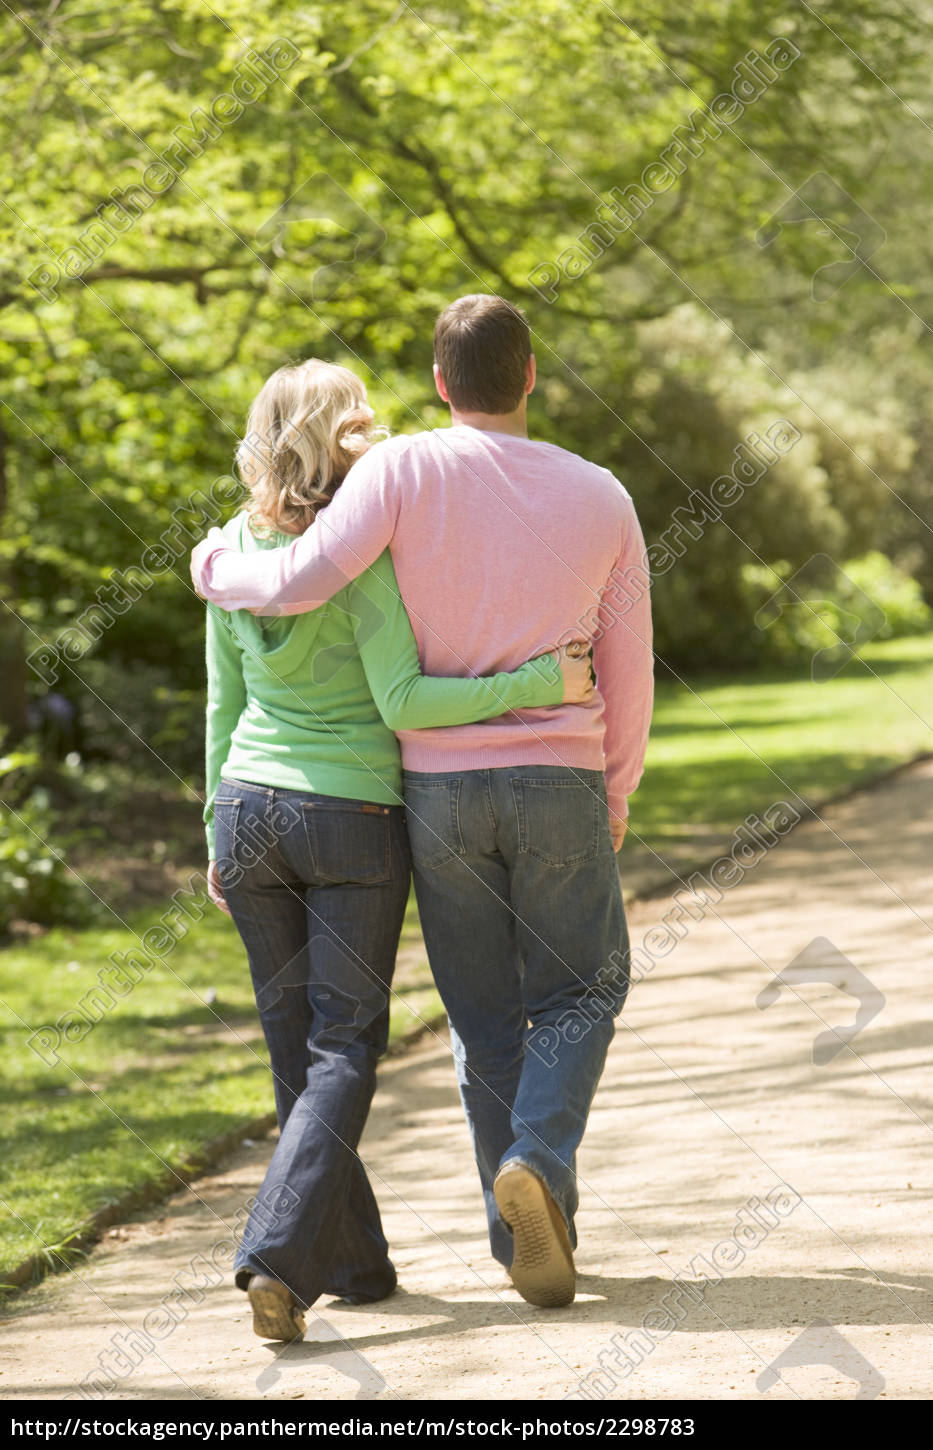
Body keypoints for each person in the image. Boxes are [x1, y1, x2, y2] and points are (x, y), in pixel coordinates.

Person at [193, 298, 654, 1309]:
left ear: (441, 384)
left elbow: (302, 578)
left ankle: (510, 1231)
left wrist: (209, 564)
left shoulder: (398, 474)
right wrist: (613, 789)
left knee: (482, 1018)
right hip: (554, 774)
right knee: (582, 990)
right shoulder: (605, 494)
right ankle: (535, 1162)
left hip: (434, 789)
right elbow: (630, 665)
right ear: (531, 375)